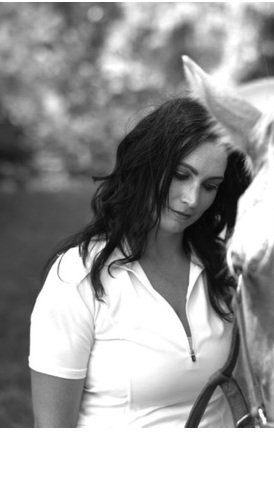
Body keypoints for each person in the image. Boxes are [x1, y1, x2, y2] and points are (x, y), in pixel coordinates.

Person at [29, 96, 250, 427]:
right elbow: (52, 432)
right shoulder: (77, 276)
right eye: (180, 175)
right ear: (147, 165)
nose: (192, 199)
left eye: (210, 186)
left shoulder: (224, 268)